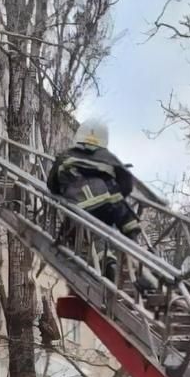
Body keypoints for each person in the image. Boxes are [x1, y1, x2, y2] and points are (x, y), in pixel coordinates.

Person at [47, 120, 153, 290]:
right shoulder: (107, 157)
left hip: (83, 205)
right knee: (128, 231)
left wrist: (63, 194)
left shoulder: (66, 156)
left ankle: (109, 267)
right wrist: (115, 195)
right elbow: (126, 183)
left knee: (94, 239)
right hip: (113, 201)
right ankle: (147, 266)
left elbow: (51, 185)